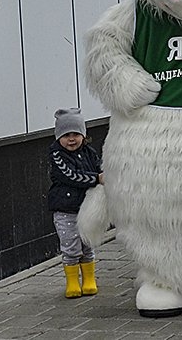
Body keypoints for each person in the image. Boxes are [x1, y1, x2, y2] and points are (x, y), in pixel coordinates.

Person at [47, 107, 104, 298]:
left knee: (87, 243)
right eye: (66, 135)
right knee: (71, 246)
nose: (71, 139)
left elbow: (99, 167)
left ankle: (89, 279)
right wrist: (97, 178)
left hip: (87, 208)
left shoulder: (89, 152)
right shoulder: (57, 155)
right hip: (65, 210)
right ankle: (72, 281)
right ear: (58, 137)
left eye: (76, 134)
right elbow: (70, 176)